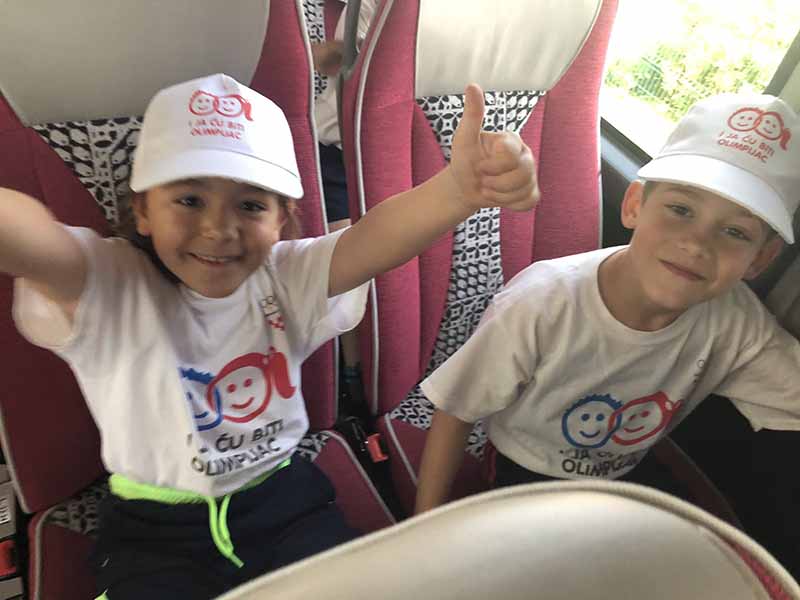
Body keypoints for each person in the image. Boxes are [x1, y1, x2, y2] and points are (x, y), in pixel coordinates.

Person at [1, 73, 537, 599]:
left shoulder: (284, 278)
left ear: (282, 219)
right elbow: (34, 240)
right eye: (189, 200)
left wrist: (457, 191)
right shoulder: (108, 285)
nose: (218, 228)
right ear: (142, 210)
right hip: (153, 527)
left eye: (251, 205)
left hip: (283, 501)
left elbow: (373, 237)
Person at [414, 93, 800, 514]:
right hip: (524, 465)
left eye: (735, 233)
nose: (696, 244)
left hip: (621, 473)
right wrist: (424, 520)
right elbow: (457, 408)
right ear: (634, 206)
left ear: (761, 259)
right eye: (681, 209)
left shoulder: (735, 322)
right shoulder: (543, 302)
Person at [311, 0, 377, 411]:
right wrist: (322, 53)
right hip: (335, 149)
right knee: (349, 262)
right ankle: (350, 377)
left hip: (385, 145)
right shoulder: (369, 8)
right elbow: (331, 57)